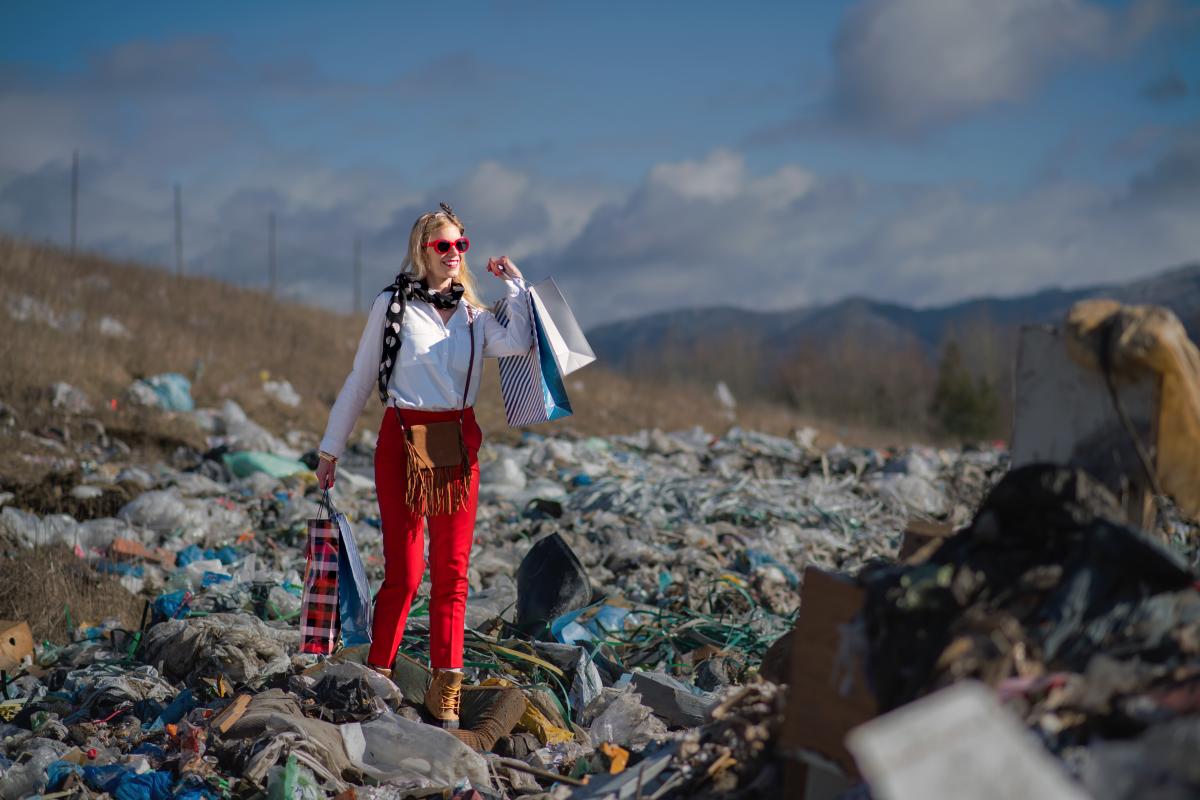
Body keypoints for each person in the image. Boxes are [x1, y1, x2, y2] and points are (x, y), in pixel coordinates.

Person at [314, 203, 533, 730]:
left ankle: (446, 686)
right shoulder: (391, 306)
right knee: (406, 572)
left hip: (457, 445)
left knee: (453, 573)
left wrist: (516, 287)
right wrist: (330, 450)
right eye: (444, 246)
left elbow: (522, 341)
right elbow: (360, 378)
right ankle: (379, 676)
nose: (454, 254)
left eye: (462, 245)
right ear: (423, 251)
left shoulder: (478, 319)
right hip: (401, 442)